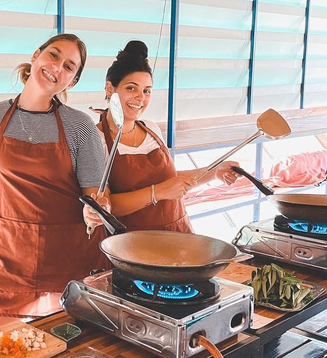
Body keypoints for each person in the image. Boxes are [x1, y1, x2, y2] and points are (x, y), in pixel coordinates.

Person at [0, 34, 109, 331]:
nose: (58, 67)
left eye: (69, 66)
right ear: (35, 56)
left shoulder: (80, 126)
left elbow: (95, 199)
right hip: (6, 261)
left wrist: (94, 211)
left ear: (73, 81)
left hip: (68, 266)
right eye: (54, 56)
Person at [94, 40, 239, 233]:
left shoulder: (152, 129)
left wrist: (214, 172)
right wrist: (158, 192)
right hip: (131, 244)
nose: (140, 97)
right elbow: (104, 207)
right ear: (110, 88)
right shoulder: (96, 138)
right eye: (131, 88)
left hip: (177, 233)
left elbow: (171, 181)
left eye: (147, 91)